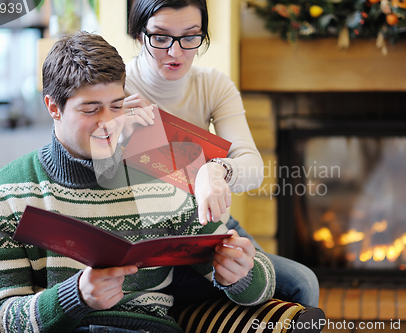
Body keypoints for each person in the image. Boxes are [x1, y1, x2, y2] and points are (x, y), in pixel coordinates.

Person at [0, 31, 275, 333]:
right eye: (91, 109)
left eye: (117, 106)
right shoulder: (4, 194)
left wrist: (241, 274)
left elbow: (262, 285)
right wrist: (74, 296)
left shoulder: (162, 176)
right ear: (54, 107)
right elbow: (0, 321)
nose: (108, 124)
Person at [123, 0, 320, 307]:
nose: (175, 52)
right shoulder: (116, 89)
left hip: (210, 229)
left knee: (301, 284)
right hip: (152, 239)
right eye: (160, 38)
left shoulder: (213, 86)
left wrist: (215, 171)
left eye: (190, 37)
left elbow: (253, 168)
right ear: (138, 35)